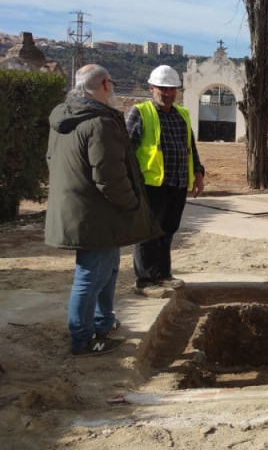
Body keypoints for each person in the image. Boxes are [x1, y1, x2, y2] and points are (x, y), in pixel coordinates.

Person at [45, 64, 160, 356]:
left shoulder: (65, 119)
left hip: (85, 211)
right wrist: (131, 204)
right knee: (90, 275)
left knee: (106, 270)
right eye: (111, 84)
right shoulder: (99, 123)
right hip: (95, 215)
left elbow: (51, 160)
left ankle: (103, 322)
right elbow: (109, 176)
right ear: (106, 85)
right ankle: (83, 339)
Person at [126, 65, 205, 298]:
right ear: (151, 88)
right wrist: (131, 183)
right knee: (148, 232)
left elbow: (190, 147)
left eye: (172, 89)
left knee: (168, 230)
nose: (169, 94)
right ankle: (145, 280)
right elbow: (126, 151)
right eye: (163, 89)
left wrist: (198, 173)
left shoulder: (182, 115)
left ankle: (163, 274)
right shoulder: (139, 113)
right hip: (151, 185)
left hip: (177, 183)